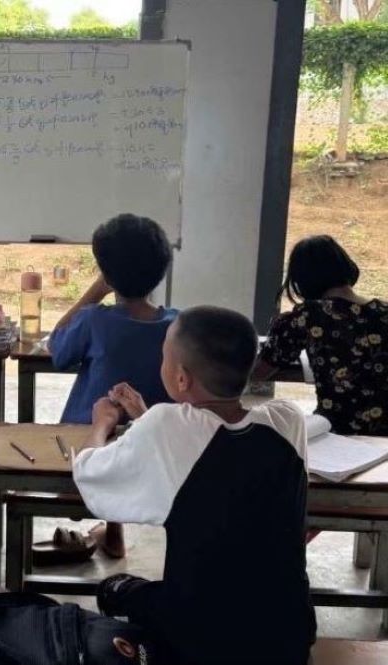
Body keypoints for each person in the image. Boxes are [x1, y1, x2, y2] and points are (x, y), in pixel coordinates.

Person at [76, 306, 315, 665]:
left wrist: (103, 422)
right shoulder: (287, 420)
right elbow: (209, 444)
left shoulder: (166, 427)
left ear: (182, 378)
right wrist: (146, 418)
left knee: (113, 589)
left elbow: (89, 473)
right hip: (289, 633)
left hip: (203, 637)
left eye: (164, 357)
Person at [46, 213, 177, 559]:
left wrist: (94, 290)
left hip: (87, 446)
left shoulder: (94, 320)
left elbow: (56, 346)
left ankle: (83, 506)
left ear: (107, 273)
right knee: (124, 427)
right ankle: (113, 535)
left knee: (102, 417)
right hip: (147, 451)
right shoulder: (178, 326)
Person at [255, 235, 387, 436]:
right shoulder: (383, 311)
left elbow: (261, 371)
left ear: (302, 280)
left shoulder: (305, 316)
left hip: (338, 433)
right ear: (346, 266)